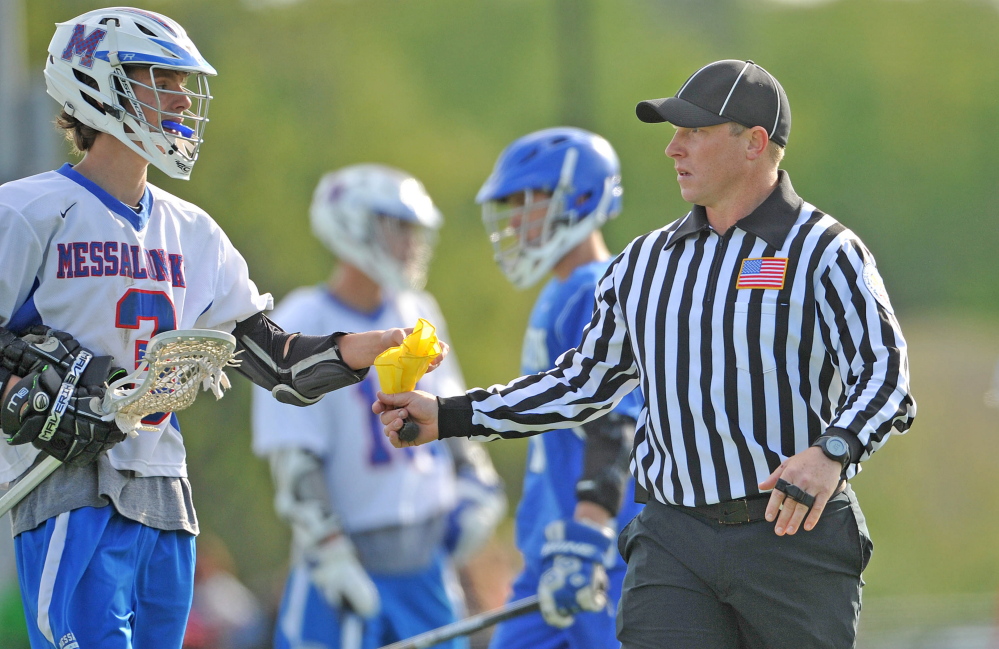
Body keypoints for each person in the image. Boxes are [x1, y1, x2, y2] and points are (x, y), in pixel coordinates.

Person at [375, 59, 916, 648]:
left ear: (754, 144)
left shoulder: (825, 250)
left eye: (694, 132)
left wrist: (831, 451)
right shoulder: (642, 263)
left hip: (789, 538)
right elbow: (583, 384)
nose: (673, 149)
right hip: (672, 542)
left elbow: (885, 374)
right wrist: (451, 415)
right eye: (672, 132)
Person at [0, 9, 440, 649]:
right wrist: (32, 389)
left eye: (183, 82)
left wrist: (355, 351)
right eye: (162, 79)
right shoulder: (29, 211)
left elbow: (278, 364)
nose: (181, 97)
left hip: (165, 494)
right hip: (69, 484)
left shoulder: (194, 231)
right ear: (98, 81)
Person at [251, 163, 506, 649]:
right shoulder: (304, 318)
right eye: (398, 228)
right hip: (349, 563)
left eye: (413, 231)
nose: (410, 245)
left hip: (427, 560)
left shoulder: (419, 309)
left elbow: (450, 410)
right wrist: (329, 549)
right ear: (353, 226)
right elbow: (295, 460)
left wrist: (477, 484)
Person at [469, 127, 644, 649]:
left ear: (581, 197)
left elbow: (615, 422)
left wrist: (587, 534)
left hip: (596, 554)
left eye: (529, 199)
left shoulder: (593, 288)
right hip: (551, 549)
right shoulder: (561, 290)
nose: (517, 217)